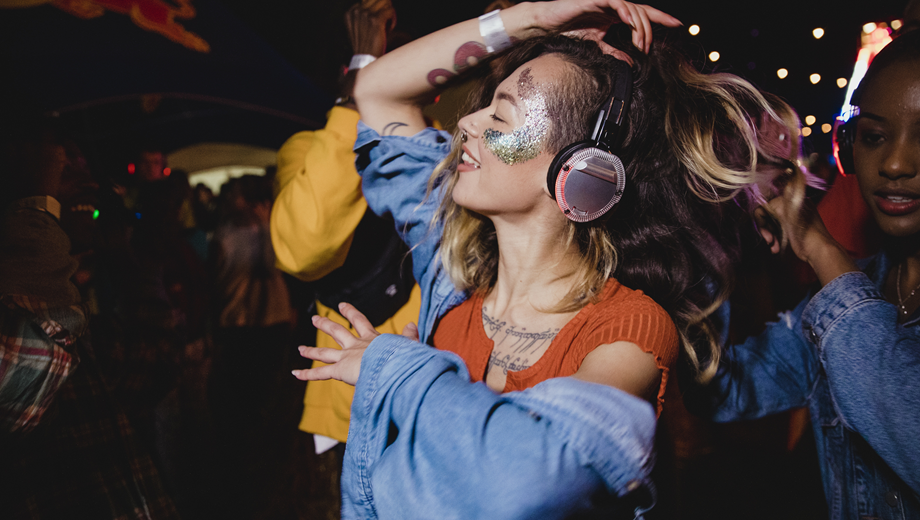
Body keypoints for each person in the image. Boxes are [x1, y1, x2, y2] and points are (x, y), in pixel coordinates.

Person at [293, 0, 802, 517]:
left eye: (501, 114)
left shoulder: (630, 331)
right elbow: (376, 89)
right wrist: (525, 21)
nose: (466, 122)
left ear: (583, 172)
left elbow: (526, 476)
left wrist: (397, 371)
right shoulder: (452, 272)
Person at [686, 29, 920, 520]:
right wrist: (718, 228)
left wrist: (817, 242)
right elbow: (722, 388)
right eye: (874, 137)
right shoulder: (842, 299)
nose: (896, 163)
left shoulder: (838, 290)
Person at [0, 116, 178, 518]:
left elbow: (154, 369)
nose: (88, 177)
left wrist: (129, 261)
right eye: (55, 163)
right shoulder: (26, 311)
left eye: (82, 162)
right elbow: (22, 377)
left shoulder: (88, 315)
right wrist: (36, 204)